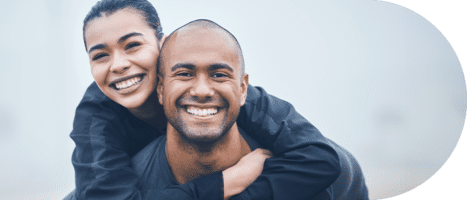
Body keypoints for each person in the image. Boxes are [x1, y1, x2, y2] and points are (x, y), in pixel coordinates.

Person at [68, 0, 341, 199]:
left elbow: (318, 158)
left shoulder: (224, 92)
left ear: (162, 45)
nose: (118, 64)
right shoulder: (95, 117)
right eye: (100, 55)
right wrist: (226, 183)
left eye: (132, 45)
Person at [131, 19, 369, 200]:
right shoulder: (134, 181)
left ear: (243, 89)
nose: (202, 90)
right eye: (184, 74)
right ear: (160, 90)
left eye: (218, 75)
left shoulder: (306, 178)